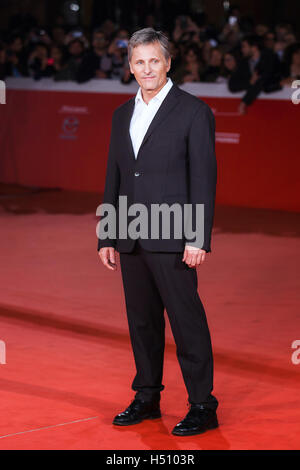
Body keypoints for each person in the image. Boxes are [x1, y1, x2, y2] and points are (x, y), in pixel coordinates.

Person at [97, 27, 218, 437]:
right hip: (130, 235)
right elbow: (114, 176)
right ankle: (147, 396)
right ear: (130, 67)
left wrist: (198, 237)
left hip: (174, 235)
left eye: (154, 60)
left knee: (187, 323)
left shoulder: (194, 112)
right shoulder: (119, 116)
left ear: (168, 63)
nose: (146, 68)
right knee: (142, 323)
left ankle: (203, 403)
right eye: (138, 61)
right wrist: (107, 234)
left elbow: (204, 179)